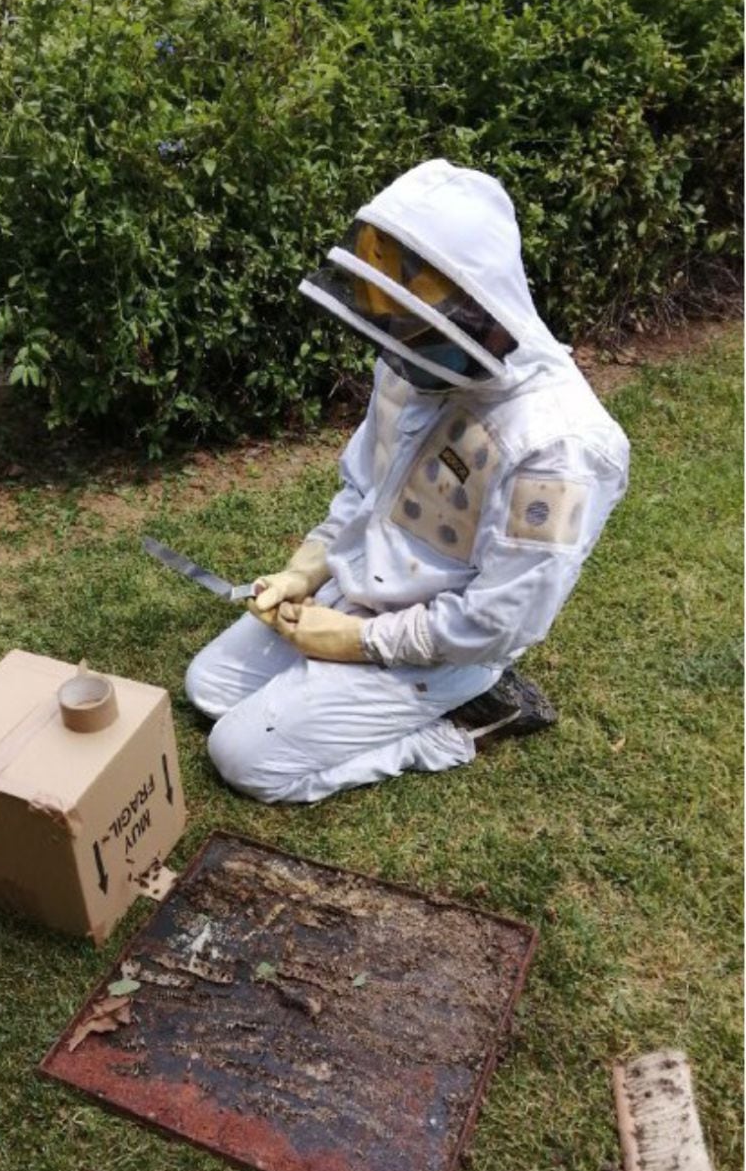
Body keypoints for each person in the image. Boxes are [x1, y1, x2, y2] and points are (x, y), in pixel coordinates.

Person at [185, 159, 629, 804]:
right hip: (356, 586)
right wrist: (305, 571)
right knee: (210, 689)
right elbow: (362, 488)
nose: (399, 346)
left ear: (479, 303)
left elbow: (501, 618)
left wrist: (359, 641)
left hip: (443, 644)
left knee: (243, 758)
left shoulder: (562, 446)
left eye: (414, 328)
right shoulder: (408, 364)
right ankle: (335, 678)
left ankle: (461, 721)